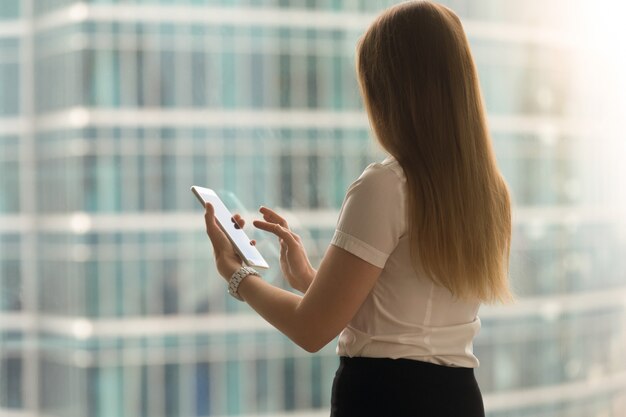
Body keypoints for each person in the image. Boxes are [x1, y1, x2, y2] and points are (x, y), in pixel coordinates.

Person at [202, 1, 513, 416]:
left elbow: (312, 330)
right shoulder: (491, 193)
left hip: (385, 398)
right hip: (456, 398)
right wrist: (308, 280)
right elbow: (407, 316)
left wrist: (235, 274)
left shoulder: (385, 186)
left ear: (391, 92)